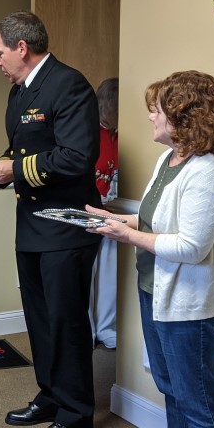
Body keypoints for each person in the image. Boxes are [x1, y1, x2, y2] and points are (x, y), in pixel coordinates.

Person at [85, 71, 214, 428]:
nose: (149, 115)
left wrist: (127, 237)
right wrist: (111, 220)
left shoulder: (212, 171)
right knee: (170, 385)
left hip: (192, 304)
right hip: (155, 291)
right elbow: (156, 221)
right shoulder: (170, 159)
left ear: (184, 117)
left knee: (196, 398)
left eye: (156, 108)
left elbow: (192, 247)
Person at [0, 11, 102, 428]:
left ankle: (77, 415)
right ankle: (50, 395)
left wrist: (15, 170)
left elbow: (77, 158)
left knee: (65, 322)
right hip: (32, 224)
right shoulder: (20, 91)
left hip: (66, 224)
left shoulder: (69, 84)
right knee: (41, 319)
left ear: (21, 48)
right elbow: (24, 150)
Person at [89, 77, 119, 349]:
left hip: (112, 212)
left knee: (110, 272)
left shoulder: (119, 135)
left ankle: (107, 327)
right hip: (85, 210)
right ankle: (86, 329)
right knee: (86, 273)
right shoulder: (87, 133)